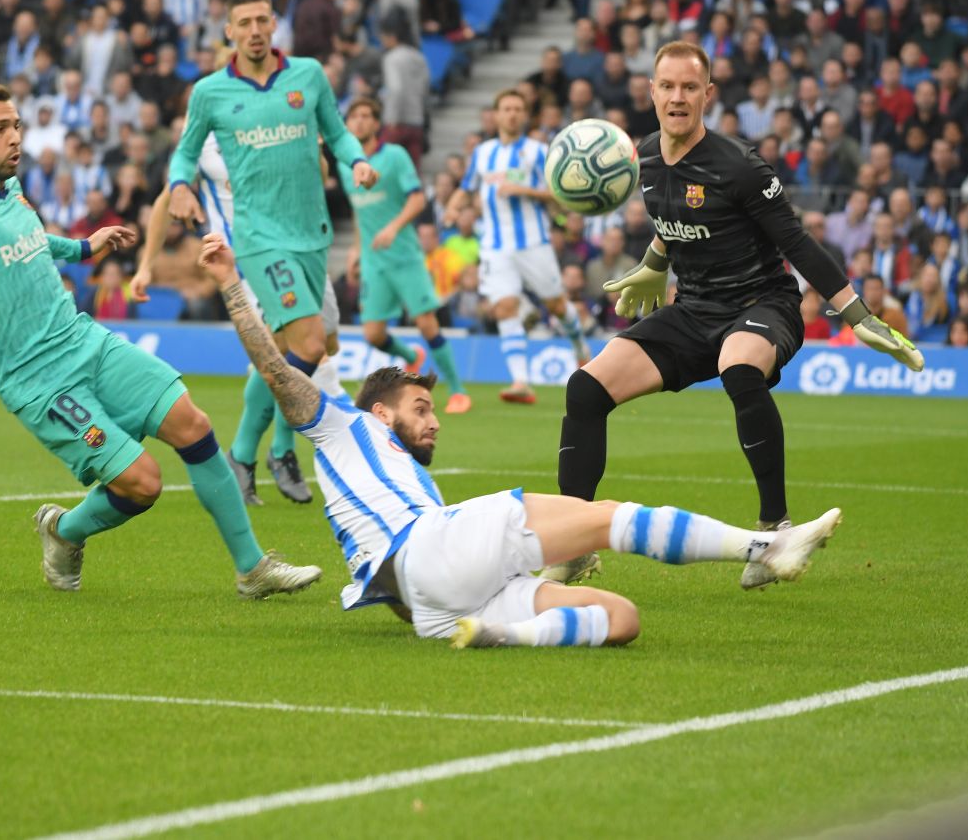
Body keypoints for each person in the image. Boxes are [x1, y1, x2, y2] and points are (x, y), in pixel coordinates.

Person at [198, 233, 843, 648]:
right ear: (380, 410)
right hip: (431, 547)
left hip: (432, 606)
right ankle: (767, 545)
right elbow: (275, 367)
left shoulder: (402, 477)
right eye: (420, 408)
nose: (435, 420)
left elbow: (402, 589)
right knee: (600, 517)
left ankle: (502, 636)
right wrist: (230, 279)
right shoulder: (342, 426)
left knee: (622, 620)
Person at [0, 83, 322, 599]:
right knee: (142, 484)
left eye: (16, 126)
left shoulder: (8, 189)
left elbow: (29, 243)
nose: (15, 138)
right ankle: (63, 531)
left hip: (84, 341)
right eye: (0, 129)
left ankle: (253, 569)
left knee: (193, 423)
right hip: (39, 381)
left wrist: (82, 247)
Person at [558, 41, 921, 591]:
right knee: (585, 388)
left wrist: (856, 315)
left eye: (689, 87)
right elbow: (672, 219)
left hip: (763, 304)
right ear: (651, 92)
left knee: (739, 368)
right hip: (695, 308)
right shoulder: (644, 158)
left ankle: (775, 529)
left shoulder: (741, 166)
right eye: (667, 86)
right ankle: (573, 544)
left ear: (707, 95)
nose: (677, 97)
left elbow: (796, 242)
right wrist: (654, 265)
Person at [166, 0, 377, 499]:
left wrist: (357, 160)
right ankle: (271, 446)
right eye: (245, 22)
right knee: (308, 345)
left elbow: (338, 132)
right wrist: (178, 186)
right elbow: (184, 154)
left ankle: (246, 454)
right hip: (259, 240)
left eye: (263, 19)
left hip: (312, 232)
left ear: (274, 23)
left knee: (291, 350)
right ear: (229, 31)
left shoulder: (307, 75)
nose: (256, 30)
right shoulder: (211, 92)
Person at [139, 127, 350, 506]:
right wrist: (146, 266)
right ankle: (265, 450)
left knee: (320, 345)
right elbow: (167, 197)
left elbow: (316, 181)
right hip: (248, 257)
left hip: (299, 247)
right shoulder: (200, 137)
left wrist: (314, 150)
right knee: (291, 348)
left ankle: (256, 453)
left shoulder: (281, 119)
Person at [443, 89, 590, 404]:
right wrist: (453, 208)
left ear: (524, 115)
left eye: (517, 109)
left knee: (556, 306)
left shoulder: (538, 151)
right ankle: (521, 381)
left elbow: (560, 194)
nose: (511, 114)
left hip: (534, 242)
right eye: (506, 108)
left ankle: (580, 348)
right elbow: (466, 188)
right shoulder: (483, 153)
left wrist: (525, 190)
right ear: (496, 115)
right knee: (505, 307)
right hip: (496, 246)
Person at [339, 96, 470, 414]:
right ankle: (411, 358)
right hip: (374, 261)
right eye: (354, 116)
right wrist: (356, 248)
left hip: (405, 256)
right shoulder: (348, 168)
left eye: (366, 115)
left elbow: (416, 200)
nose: (359, 121)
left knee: (427, 323)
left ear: (376, 123)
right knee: (373, 334)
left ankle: (457, 391)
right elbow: (360, 212)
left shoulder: (394, 156)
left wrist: (394, 228)